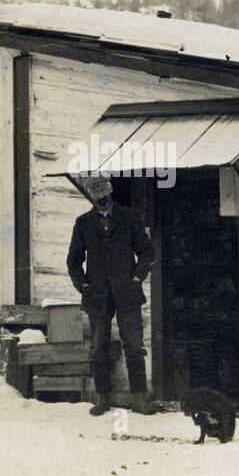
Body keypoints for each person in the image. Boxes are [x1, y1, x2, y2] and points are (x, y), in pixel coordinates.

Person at [67, 176, 158, 415]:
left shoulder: (130, 217)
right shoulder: (83, 223)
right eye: (97, 199)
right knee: (98, 348)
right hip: (97, 296)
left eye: (105, 197)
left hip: (127, 293)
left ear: (110, 193)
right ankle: (103, 398)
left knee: (135, 347)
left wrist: (137, 277)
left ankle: (139, 398)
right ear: (91, 198)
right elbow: (74, 261)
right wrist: (83, 286)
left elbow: (147, 252)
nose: (102, 202)